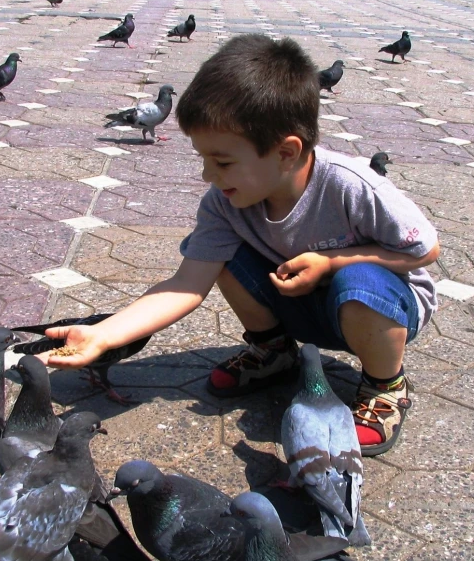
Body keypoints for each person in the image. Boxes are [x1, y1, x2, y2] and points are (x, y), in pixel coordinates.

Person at [40, 34, 439, 457]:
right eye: (203, 159)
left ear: (286, 152)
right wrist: (104, 335)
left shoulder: (352, 185)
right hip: (299, 305)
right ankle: (274, 351)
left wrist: (331, 262)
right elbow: (187, 284)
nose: (208, 175)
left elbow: (424, 250)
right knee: (214, 252)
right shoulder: (226, 203)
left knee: (359, 280)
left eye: (223, 162)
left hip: (380, 310)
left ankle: (385, 384)